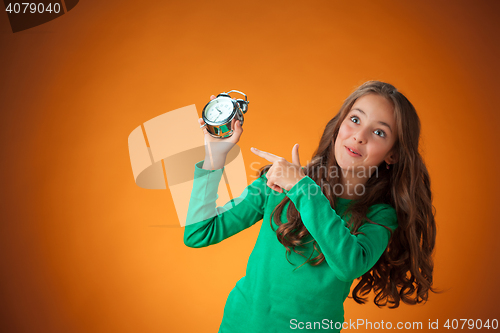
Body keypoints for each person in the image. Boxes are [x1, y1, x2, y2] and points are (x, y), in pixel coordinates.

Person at [184, 81, 439, 333]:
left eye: (379, 132)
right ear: (339, 124)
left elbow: (349, 265)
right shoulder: (281, 182)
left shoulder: (380, 215)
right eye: (355, 120)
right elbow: (199, 232)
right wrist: (214, 156)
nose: (359, 136)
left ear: (392, 155)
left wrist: (303, 190)